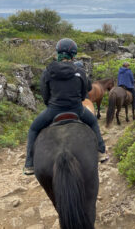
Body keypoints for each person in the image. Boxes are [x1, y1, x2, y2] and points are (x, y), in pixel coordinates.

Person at [23, 38, 108, 175]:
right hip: (77, 109)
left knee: (33, 129)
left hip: (53, 110)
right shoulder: (80, 71)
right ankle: (101, 152)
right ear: (73, 55)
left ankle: (29, 164)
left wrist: (51, 105)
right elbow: (84, 93)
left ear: (58, 52)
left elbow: (45, 95)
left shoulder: (48, 72)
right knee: (93, 122)